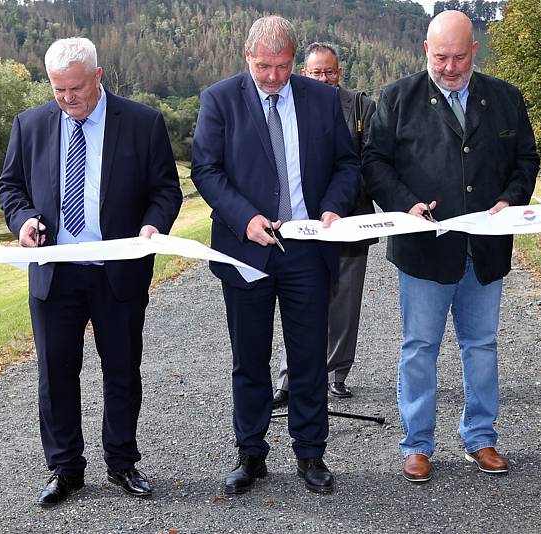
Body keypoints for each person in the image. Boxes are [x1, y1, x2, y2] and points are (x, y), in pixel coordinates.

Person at [0, 37, 182, 507]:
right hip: (54, 272)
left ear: (98, 77)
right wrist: (23, 223)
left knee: (121, 370)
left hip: (117, 270)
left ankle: (121, 462)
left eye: (76, 88)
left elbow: (166, 191)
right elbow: (11, 188)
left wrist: (152, 225)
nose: (67, 99)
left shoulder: (143, 123)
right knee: (56, 373)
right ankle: (65, 468)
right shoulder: (31, 124)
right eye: (58, 90)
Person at [363, 10, 538, 483]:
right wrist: (406, 206)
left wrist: (510, 199)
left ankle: (481, 438)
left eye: (460, 57)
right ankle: (417, 444)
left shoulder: (505, 98)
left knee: (481, 345)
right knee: (419, 347)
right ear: (425, 50)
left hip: (484, 249)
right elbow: (375, 161)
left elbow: (526, 158)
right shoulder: (398, 98)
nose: (450, 67)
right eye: (441, 57)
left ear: (474, 51)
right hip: (423, 251)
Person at [191, 16, 359, 495]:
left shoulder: (323, 100)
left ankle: (310, 454)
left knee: (308, 358)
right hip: (245, 249)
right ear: (247, 57)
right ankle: (251, 454)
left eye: (283, 67)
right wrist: (245, 218)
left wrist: (332, 207)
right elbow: (205, 169)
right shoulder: (219, 99)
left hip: (307, 248)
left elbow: (349, 164)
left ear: (293, 59)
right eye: (264, 67)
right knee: (249, 357)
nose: (273, 77)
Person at [272, 42, 377, 408]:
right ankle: (288, 378)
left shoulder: (361, 106)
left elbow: (369, 162)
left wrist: (340, 200)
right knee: (299, 302)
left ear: (339, 73)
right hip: (302, 226)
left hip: (350, 223)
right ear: (304, 73)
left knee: (344, 304)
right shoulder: (290, 103)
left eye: (329, 71)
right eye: (316, 72)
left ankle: (337, 375)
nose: (323, 78)